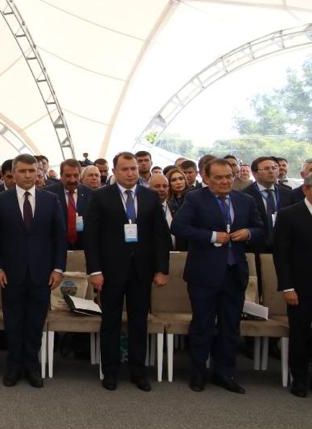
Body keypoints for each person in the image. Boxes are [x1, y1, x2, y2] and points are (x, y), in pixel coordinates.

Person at [171, 158, 264, 393]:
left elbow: (260, 229)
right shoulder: (195, 199)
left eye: (228, 176)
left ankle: (225, 373)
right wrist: (212, 236)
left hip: (234, 273)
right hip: (204, 273)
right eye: (219, 177)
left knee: (230, 326)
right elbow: (178, 227)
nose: (225, 181)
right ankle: (198, 373)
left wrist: (248, 233)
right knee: (202, 324)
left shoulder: (245, 200)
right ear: (206, 178)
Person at [83, 152, 170, 391]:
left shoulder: (150, 197)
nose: (131, 173)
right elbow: (91, 237)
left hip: (142, 270)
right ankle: (110, 371)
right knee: (110, 321)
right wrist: (94, 270)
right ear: (114, 171)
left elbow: (161, 235)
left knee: (138, 321)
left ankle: (138, 371)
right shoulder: (100, 197)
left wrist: (162, 269)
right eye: (125, 169)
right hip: (110, 271)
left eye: (134, 169)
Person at [0, 154, 65, 388]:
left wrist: (58, 268)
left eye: (32, 171)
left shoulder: (51, 200)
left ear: (38, 172)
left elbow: (59, 237)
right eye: (22, 171)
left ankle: (32, 366)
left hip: (42, 273)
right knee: (13, 321)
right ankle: (13, 366)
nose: (28, 175)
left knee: (35, 321)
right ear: (13, 173)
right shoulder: (0, 200)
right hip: (10, 273)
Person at [273, 171, 312, 397]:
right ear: (306, 189)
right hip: (300, 286)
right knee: (300, 334)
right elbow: (281, 254)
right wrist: (287, 286)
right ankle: (300, 378)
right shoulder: (289, 215)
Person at [245, 156, 292, 252]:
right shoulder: (245, 195)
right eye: (266, 169)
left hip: (285, 246)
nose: (271, 171)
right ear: (255, 173)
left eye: (274, 168)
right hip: (257, 247)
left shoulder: (287, 192)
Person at [45, 158, 92, 251]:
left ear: (80, 175)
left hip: (84, 247)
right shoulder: (48, 193)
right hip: (56, 247)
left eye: (76, 175)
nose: (72, 180)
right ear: (61, 175)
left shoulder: (89, 193)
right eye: (68, 176)